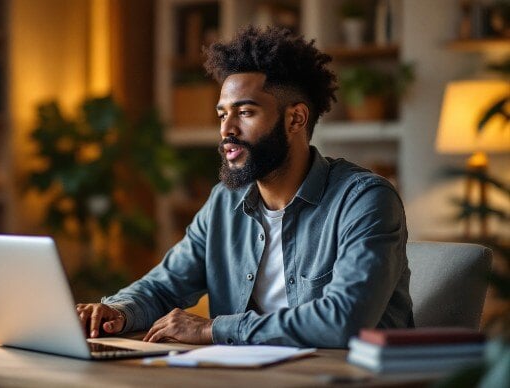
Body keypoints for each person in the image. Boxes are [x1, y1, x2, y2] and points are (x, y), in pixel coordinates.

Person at [76, 25, 413, 348]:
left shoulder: (365, 200)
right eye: (222, 114)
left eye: (245, 112)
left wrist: (213, 329)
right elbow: (165, 286)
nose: (227, 130)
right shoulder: (225, 202)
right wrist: (117, 311)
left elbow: (344, 319)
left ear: (296, 119)